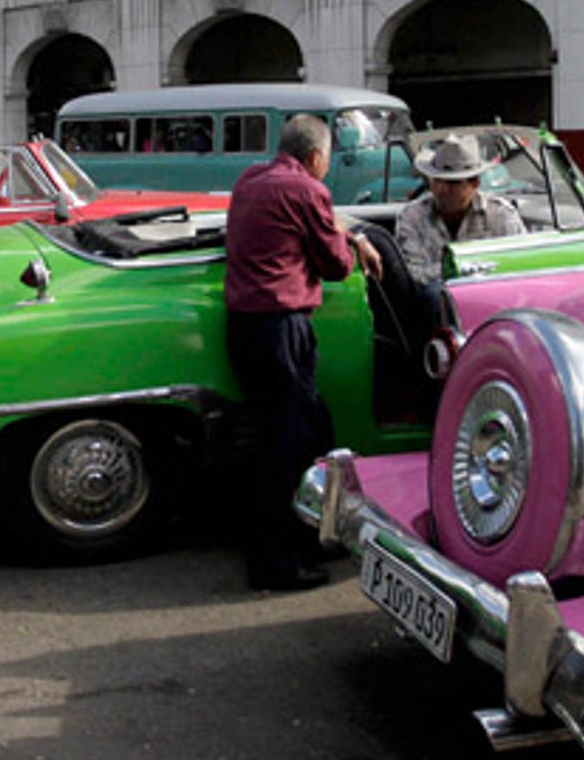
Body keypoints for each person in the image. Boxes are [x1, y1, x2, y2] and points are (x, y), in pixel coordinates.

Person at [224, 115, 383, 592]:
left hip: (246, 328)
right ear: (316, 158)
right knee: (285, 447)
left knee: (310, 430)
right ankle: (274, 563)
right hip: (282, 329)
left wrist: (350, 234)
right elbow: (335, 266)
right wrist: (355, 244)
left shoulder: (250, 180)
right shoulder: (308, 191)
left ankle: (310, 536)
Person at [395, 133, 526, 286]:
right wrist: (466, 270)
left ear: (474, 184)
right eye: (437, 180)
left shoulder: (500, 214)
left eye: (453, 183)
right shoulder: (412, 216)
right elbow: (412, 274)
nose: (442, 190)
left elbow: (519, 264)